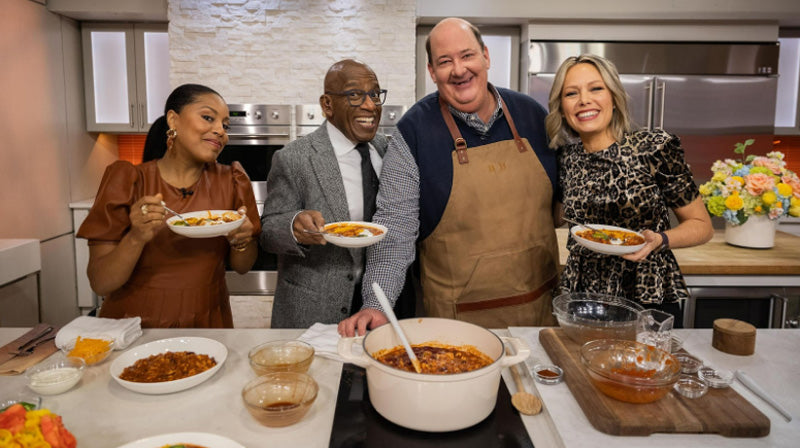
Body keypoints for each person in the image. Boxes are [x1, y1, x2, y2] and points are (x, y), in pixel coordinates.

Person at [338, 18, 560, 337]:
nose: (458, 70)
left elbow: (569, 202)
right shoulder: (412, 133)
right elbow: (396, 226)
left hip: (538, 318)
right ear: (432, 72)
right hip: (455, 325)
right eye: (445, 61)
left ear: (485, 56)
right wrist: (376, 303)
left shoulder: (533, 116)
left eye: (467, 55)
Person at [547, 54, 713, 326]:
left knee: (647, 368)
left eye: (596, 88)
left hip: (646, 293)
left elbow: (701, 225)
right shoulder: (565, 158)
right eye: (571, 93)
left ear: (613, 97)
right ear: (562, 107)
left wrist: (659, 239)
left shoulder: (655, 147)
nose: (584, 100)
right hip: (584, 297)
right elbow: (557, 218)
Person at [77, 83, 261, 328]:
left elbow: (243, 267)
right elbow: (101, 282)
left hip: (208, 321)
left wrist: (242, 240)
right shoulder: (127, 180)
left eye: (225, 126)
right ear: (173, 120)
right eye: (208, 118)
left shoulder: (233, 181)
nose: (220, 131)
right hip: (134, 325)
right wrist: (136, 236)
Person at [261, 59, 414, 328]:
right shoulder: (294, 158)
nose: (370, 106)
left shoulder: (387, 149)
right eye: (355, 95)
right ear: (327, 105)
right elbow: (268, 231)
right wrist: (293, 227)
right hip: (316, 308)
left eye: (375, 94)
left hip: (379, 302)